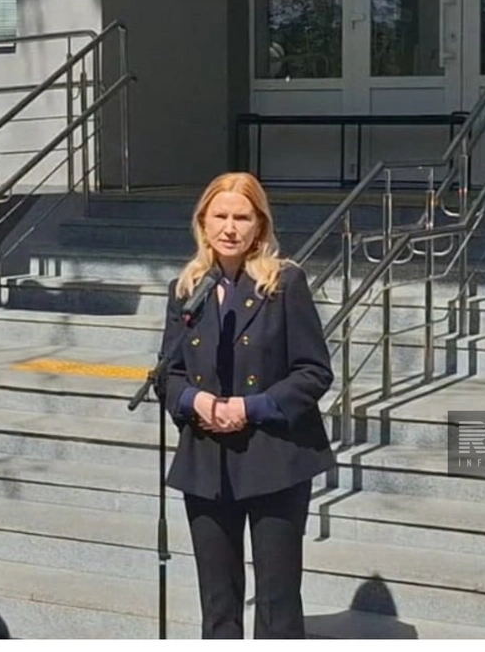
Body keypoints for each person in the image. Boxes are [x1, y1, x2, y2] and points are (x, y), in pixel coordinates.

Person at [159, 172, 334, 639]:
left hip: (275, 457)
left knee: (277, 600)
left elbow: (314, 371)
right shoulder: (187, 288)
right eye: (220, 216)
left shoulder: (285, 283)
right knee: (218, 601)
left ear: (260, 225)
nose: (230, 228)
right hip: (206, 461)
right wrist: (195, 400)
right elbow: (167, 374)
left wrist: (250, 407)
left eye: (242, 217)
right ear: (203, 221)